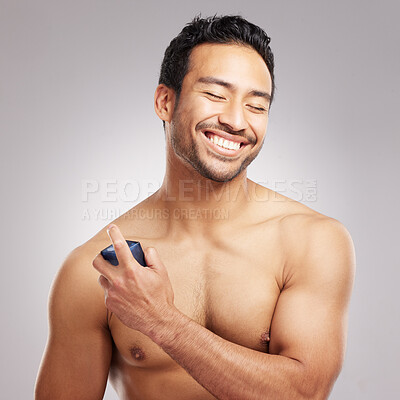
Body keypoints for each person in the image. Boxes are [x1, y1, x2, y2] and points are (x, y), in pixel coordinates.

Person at [35, 15, 356, 400]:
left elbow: (306, 393)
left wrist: (161, 323)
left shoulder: (312, 242)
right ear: (165, 101)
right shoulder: (98, 272)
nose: (236, 120)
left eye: (256, 105)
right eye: (216, 95)